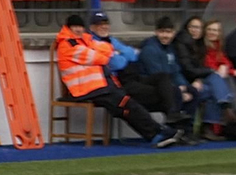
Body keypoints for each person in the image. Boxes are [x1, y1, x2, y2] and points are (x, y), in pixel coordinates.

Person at [55, 13, 185, 147]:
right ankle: (158, 133)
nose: (78, 29)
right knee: (127, 104)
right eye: (75, 27)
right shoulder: (68, 44)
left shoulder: (84, 40)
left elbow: (111, 50)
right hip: (86, 89)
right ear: (69, 28)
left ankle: (157, 134)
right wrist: (109, 54)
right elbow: (100, 57)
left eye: (80, 26)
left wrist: (109, 53)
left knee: (126, 107)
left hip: (99, 87)